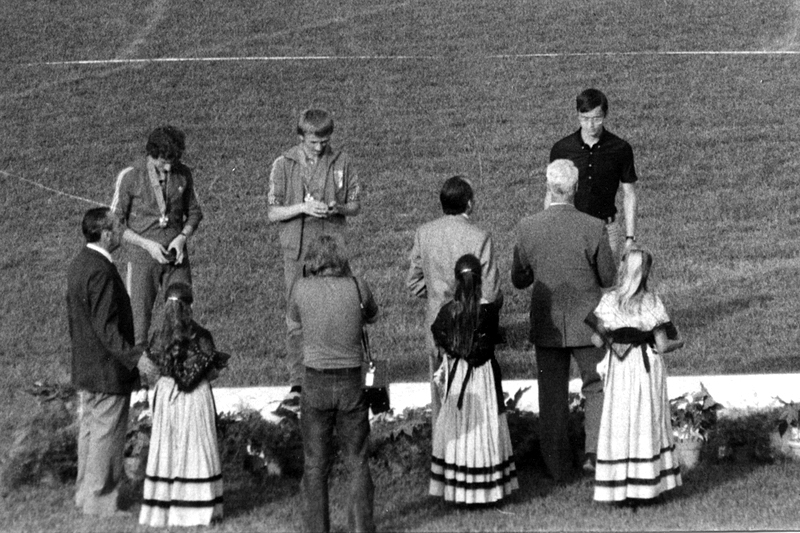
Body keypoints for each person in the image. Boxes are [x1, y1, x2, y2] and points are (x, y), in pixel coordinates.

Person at [511, 159, 616, 481]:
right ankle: (595, 455)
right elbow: (608, 277)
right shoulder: (594, 226)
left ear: (547, 188)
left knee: (551, 394)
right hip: (590, 323)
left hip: (548, 323)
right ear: (576, 189)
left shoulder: (528, 227)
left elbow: (519, 279)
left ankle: (556, 467)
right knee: (595, 387)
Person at [268, 108, 362, 412]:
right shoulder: (283, 165)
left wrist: (339, 207)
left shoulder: (342, 161)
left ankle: (345, 372)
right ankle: (298, 382)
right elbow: (273, 212)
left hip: (332, 250)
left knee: (340, 309)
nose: (320, 147)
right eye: (313, 142)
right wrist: (302, 208)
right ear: (300, 138)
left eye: (324, 141)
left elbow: (355, 204)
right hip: (297, 252)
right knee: (296, 317)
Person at [67, 207, 159, 516]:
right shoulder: (102, 270)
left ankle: (85, 493)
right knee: (106, 434)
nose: (122, 230)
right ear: (106, 234)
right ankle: (101, 500)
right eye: (118, 226)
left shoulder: (80, 263)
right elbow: (107, 327)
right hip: (108, 369)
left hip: (86, 366)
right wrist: (136, 359)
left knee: (90, 432)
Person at [288, 235, 377, 533]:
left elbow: (295, 323)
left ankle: (316, 529)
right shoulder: (357, 284)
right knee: (357, 460)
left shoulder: (300, 288)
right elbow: (372, 315)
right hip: (352, 378)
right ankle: (362, 527)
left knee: (315, 464)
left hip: (315, 379)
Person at [585, 249, 684, 503]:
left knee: (619, 421)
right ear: (646, 271)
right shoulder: (651, 302)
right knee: (645, 419)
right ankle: (646, 484)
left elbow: (596, 340)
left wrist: (617, 340)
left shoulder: (609, 301)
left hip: (619, 368)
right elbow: (662, 345)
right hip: (644, 366)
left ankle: (618, 484)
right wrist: (680, 342)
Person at [406, 175, 502, 423]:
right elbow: (490, 293)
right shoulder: (480, 237)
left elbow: (414, 282)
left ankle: (443, 454)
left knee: (442, 401)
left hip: (437, 329)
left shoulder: (424, 233)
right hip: (473, 330)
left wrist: (438, 299)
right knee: (475, 403)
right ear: (469, 204)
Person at [429, 254, 518, 505]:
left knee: (460, 426)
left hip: (460, 375)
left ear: (456, 280)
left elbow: (441, 336)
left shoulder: (448, 311)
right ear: (480, 279)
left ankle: (460, 486)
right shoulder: (489, 309)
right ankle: (486, 486)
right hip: (484, 376)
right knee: (485, 424)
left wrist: (455, 351)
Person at [139, 282, 229, 527]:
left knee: (168, 449)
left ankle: (165, 508)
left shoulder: (159, 336)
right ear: (190, 305)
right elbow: (211, 372)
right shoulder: (202, 335)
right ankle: (196, 509)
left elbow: (152, 370)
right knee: (196, 448)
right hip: (196, 397)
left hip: (167, 396)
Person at [110, 125, 204, 346]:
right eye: (163, 161)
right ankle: (139, 377)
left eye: (174, 159)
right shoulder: (131, 176)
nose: (169, 166)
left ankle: (177, 372)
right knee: (138, 321)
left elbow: (195, 212)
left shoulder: (183, 174)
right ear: (152, 154)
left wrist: (182, 237)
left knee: (181, 315)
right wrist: (147, 245)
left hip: (176, 257)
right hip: (143, 258)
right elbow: (115, 222)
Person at [549, 88, 638, 256]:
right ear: (577, 116)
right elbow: (552, 193)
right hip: (571, 230)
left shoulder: (620, 148)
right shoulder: (562, 149)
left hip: (606, 229)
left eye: (596, 119)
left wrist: (630, 238)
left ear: (605, 115)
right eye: (585, 119)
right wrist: (551, 233)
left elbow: (629, 194)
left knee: (608, 281)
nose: (590, 125)